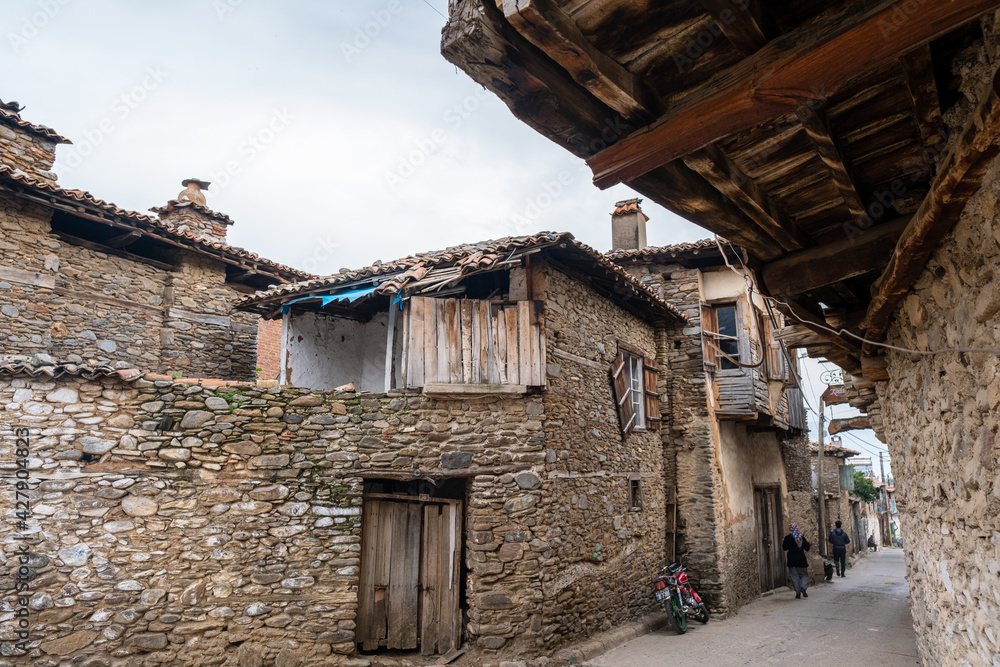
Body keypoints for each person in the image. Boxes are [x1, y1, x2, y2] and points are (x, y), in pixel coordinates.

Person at [782, 522, 811, 599]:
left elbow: (784, 548)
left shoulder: (787, 538)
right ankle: (803, 588)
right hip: (801, 560)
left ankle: (798, 594)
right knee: (804, 575)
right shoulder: (801, 538)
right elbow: (807, 548)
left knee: (794, 577)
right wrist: (808, 542)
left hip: (791, 560)